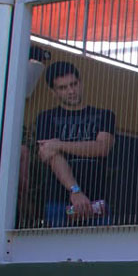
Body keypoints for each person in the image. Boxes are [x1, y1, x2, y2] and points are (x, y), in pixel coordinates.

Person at [32, 60, 116, 226]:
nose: (71, 91)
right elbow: (51, 157)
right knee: (57, 249)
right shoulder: (45, 118)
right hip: (59, 202)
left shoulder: (104, 115)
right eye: (63, 88)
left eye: (74, 84)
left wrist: (59, 145)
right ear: (53, 92)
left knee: (99, 250)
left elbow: (101, 148)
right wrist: (75, 190)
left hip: (96, 201)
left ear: (81, 83)